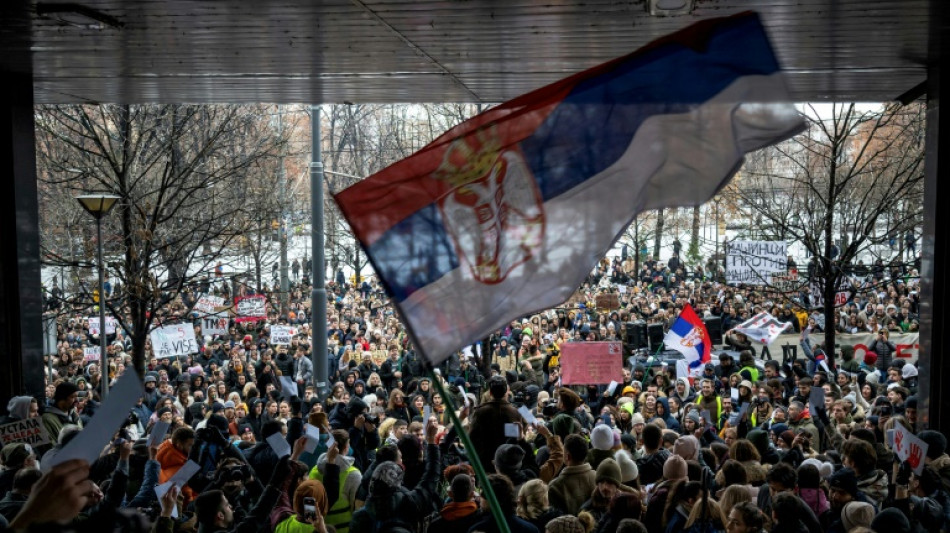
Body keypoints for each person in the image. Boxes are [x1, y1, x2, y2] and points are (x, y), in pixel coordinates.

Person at [349, 421, 442, 533]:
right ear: (398, 479)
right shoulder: (409, 502)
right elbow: (430, 478)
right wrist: (431, 441)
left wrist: (382, 457)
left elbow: (365, 480)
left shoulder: (360, 516)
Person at [192, 455, 294, 533]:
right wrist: (275, 483)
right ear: (220, 516)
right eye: (227, 505)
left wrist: (218, 484)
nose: (231, 507)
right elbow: (255, 520)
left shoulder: (206, 524)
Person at [468, 376, 521, 473]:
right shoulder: (514, 412)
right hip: (507, 462)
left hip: (484, 463)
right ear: (506, 392)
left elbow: (472, 438)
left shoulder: (480, 412)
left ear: (490, 392)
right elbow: (514, 439)